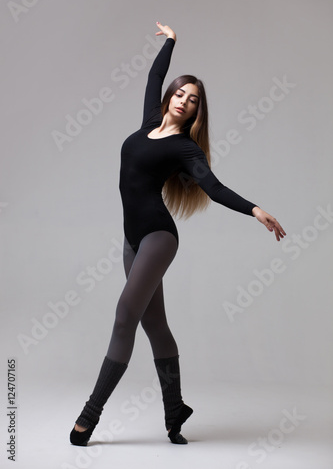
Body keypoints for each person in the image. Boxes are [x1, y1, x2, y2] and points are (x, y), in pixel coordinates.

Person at [69, 22, 286, 447]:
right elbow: (153, 77)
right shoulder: (150, 119)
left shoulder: (186, 149)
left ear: (197, 112)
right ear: (171, 97)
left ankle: (88, 417)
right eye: (181, 93)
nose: (184, 101)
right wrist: (171, 40)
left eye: (193, 100)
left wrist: (256, 210)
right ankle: (175, 410)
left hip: (157, 238)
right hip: (131, 240)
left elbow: (215, 188)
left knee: (124, 317)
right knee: (154, 324)